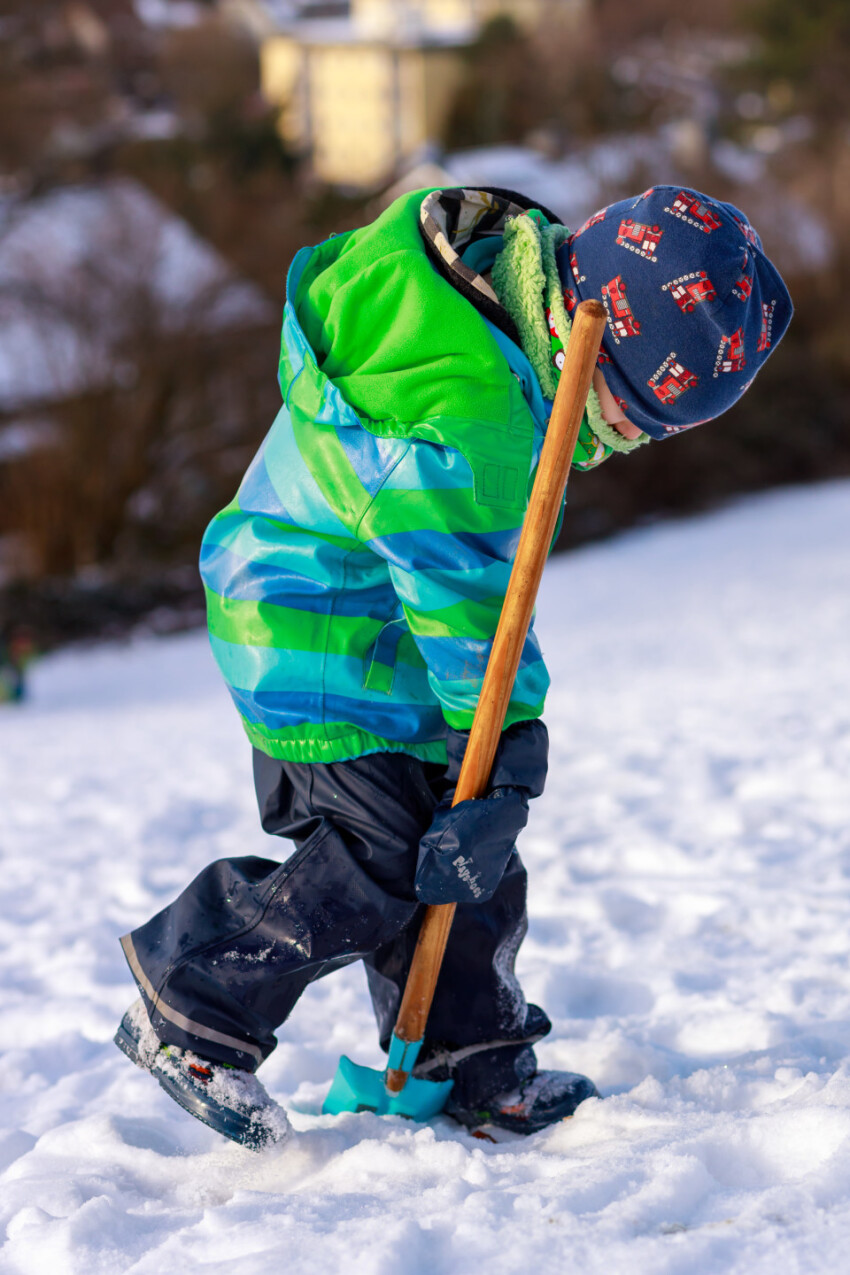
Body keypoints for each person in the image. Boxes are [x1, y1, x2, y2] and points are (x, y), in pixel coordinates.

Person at [114, 186, 792, 1148]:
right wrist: (510, 740)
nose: (632, 440)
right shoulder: (471, 404)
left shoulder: (497, 313)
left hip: (380, 622)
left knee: (465, 846)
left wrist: (492, 776)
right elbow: (462, 593)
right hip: (312, 628)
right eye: (631, 412)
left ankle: (472, 1061)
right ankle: (189, 1006)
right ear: (589, 336)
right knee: (386, 849)